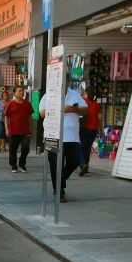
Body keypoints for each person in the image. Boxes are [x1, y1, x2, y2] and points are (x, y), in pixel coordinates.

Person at [39, 75, 88, 203]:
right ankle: (59, 191)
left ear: (68, 82)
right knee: (55, 164)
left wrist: (76, 109)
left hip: (72, 136)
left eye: (65, 81)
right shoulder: (49, 95)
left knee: (75, 161)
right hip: (53, 135)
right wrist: (62, 109)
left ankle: (61, 179)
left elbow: (85, 109)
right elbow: (42, 113)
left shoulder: (74, 94)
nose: (62, 83)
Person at [4, 86, 34, 172]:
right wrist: (7, 129)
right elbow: (6, 117)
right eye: (19, 91)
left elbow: (30, 116)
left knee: (26, 148)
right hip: (14, 131)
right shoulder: (10, 104)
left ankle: (22, 164)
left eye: (22, 91)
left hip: (25, 131)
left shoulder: (27, 103)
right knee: (13, 149)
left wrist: (30, 127)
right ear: (14, 93)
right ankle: (14, 165)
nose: (22, 92)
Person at [78, 87, 102, 176]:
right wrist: (101, 131)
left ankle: (83, 164)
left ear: (86, 93)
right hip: (94, 130)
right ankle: (86, 164)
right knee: (88, 147)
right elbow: (100, 119)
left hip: (84, 129)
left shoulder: (82, 102)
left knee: (82, 147)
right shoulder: (96, 104)